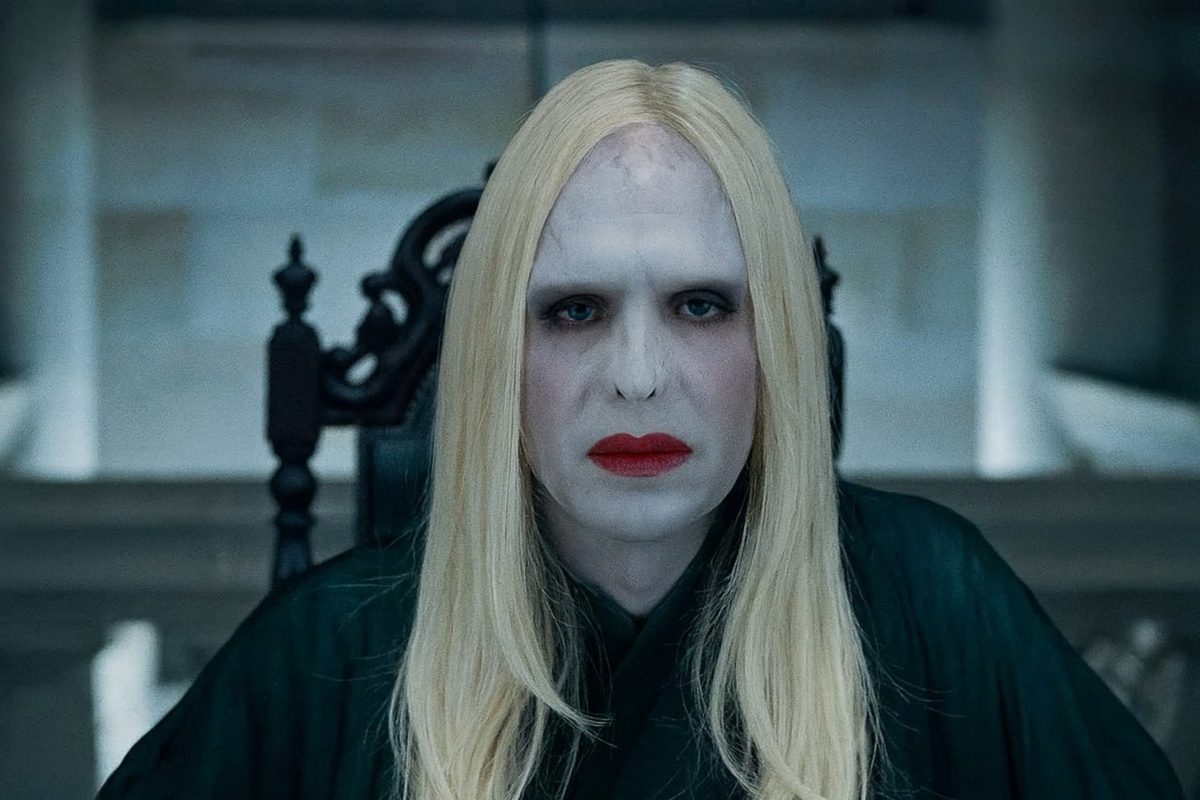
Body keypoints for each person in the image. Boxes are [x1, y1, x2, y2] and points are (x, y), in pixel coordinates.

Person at [97, 60, 1184, 800]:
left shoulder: (937, 598)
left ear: (777, 343)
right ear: (497, 356)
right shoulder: (321, 654)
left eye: (700, 305)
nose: (637, 379)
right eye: (574, 311)